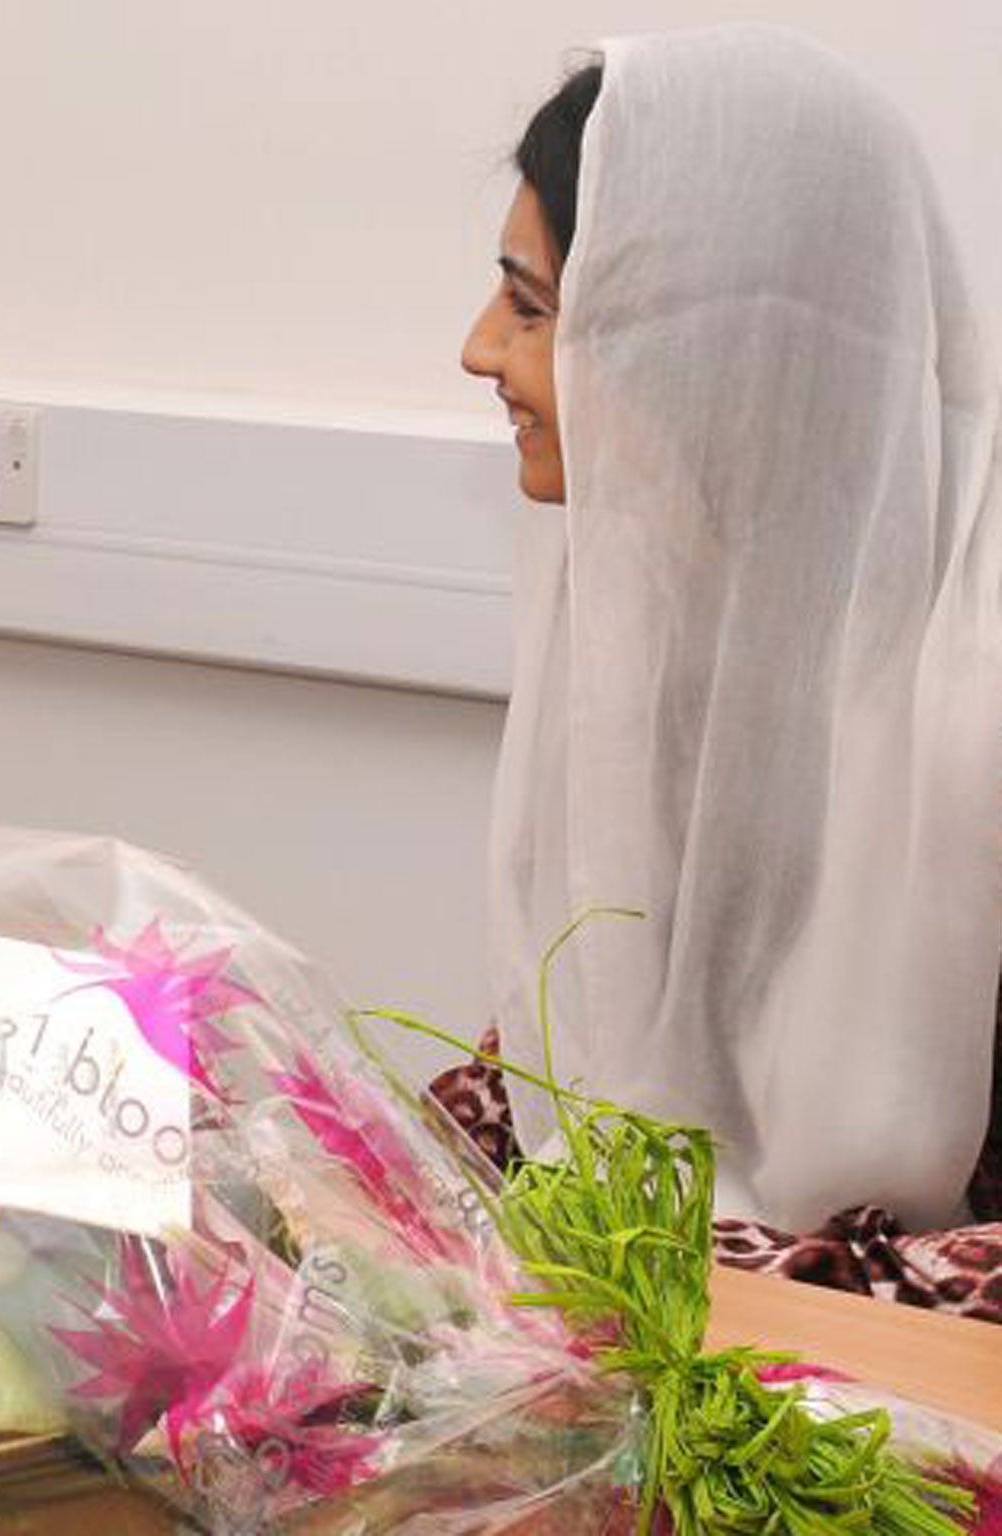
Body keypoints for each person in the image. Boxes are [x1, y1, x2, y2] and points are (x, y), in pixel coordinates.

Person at [437, 26, 1002, 1321]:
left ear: (695, 353)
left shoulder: (974, 738)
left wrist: (687, 1278)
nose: (480, 352)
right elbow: (568, 1081)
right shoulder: (687, 651)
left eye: (531, 309)